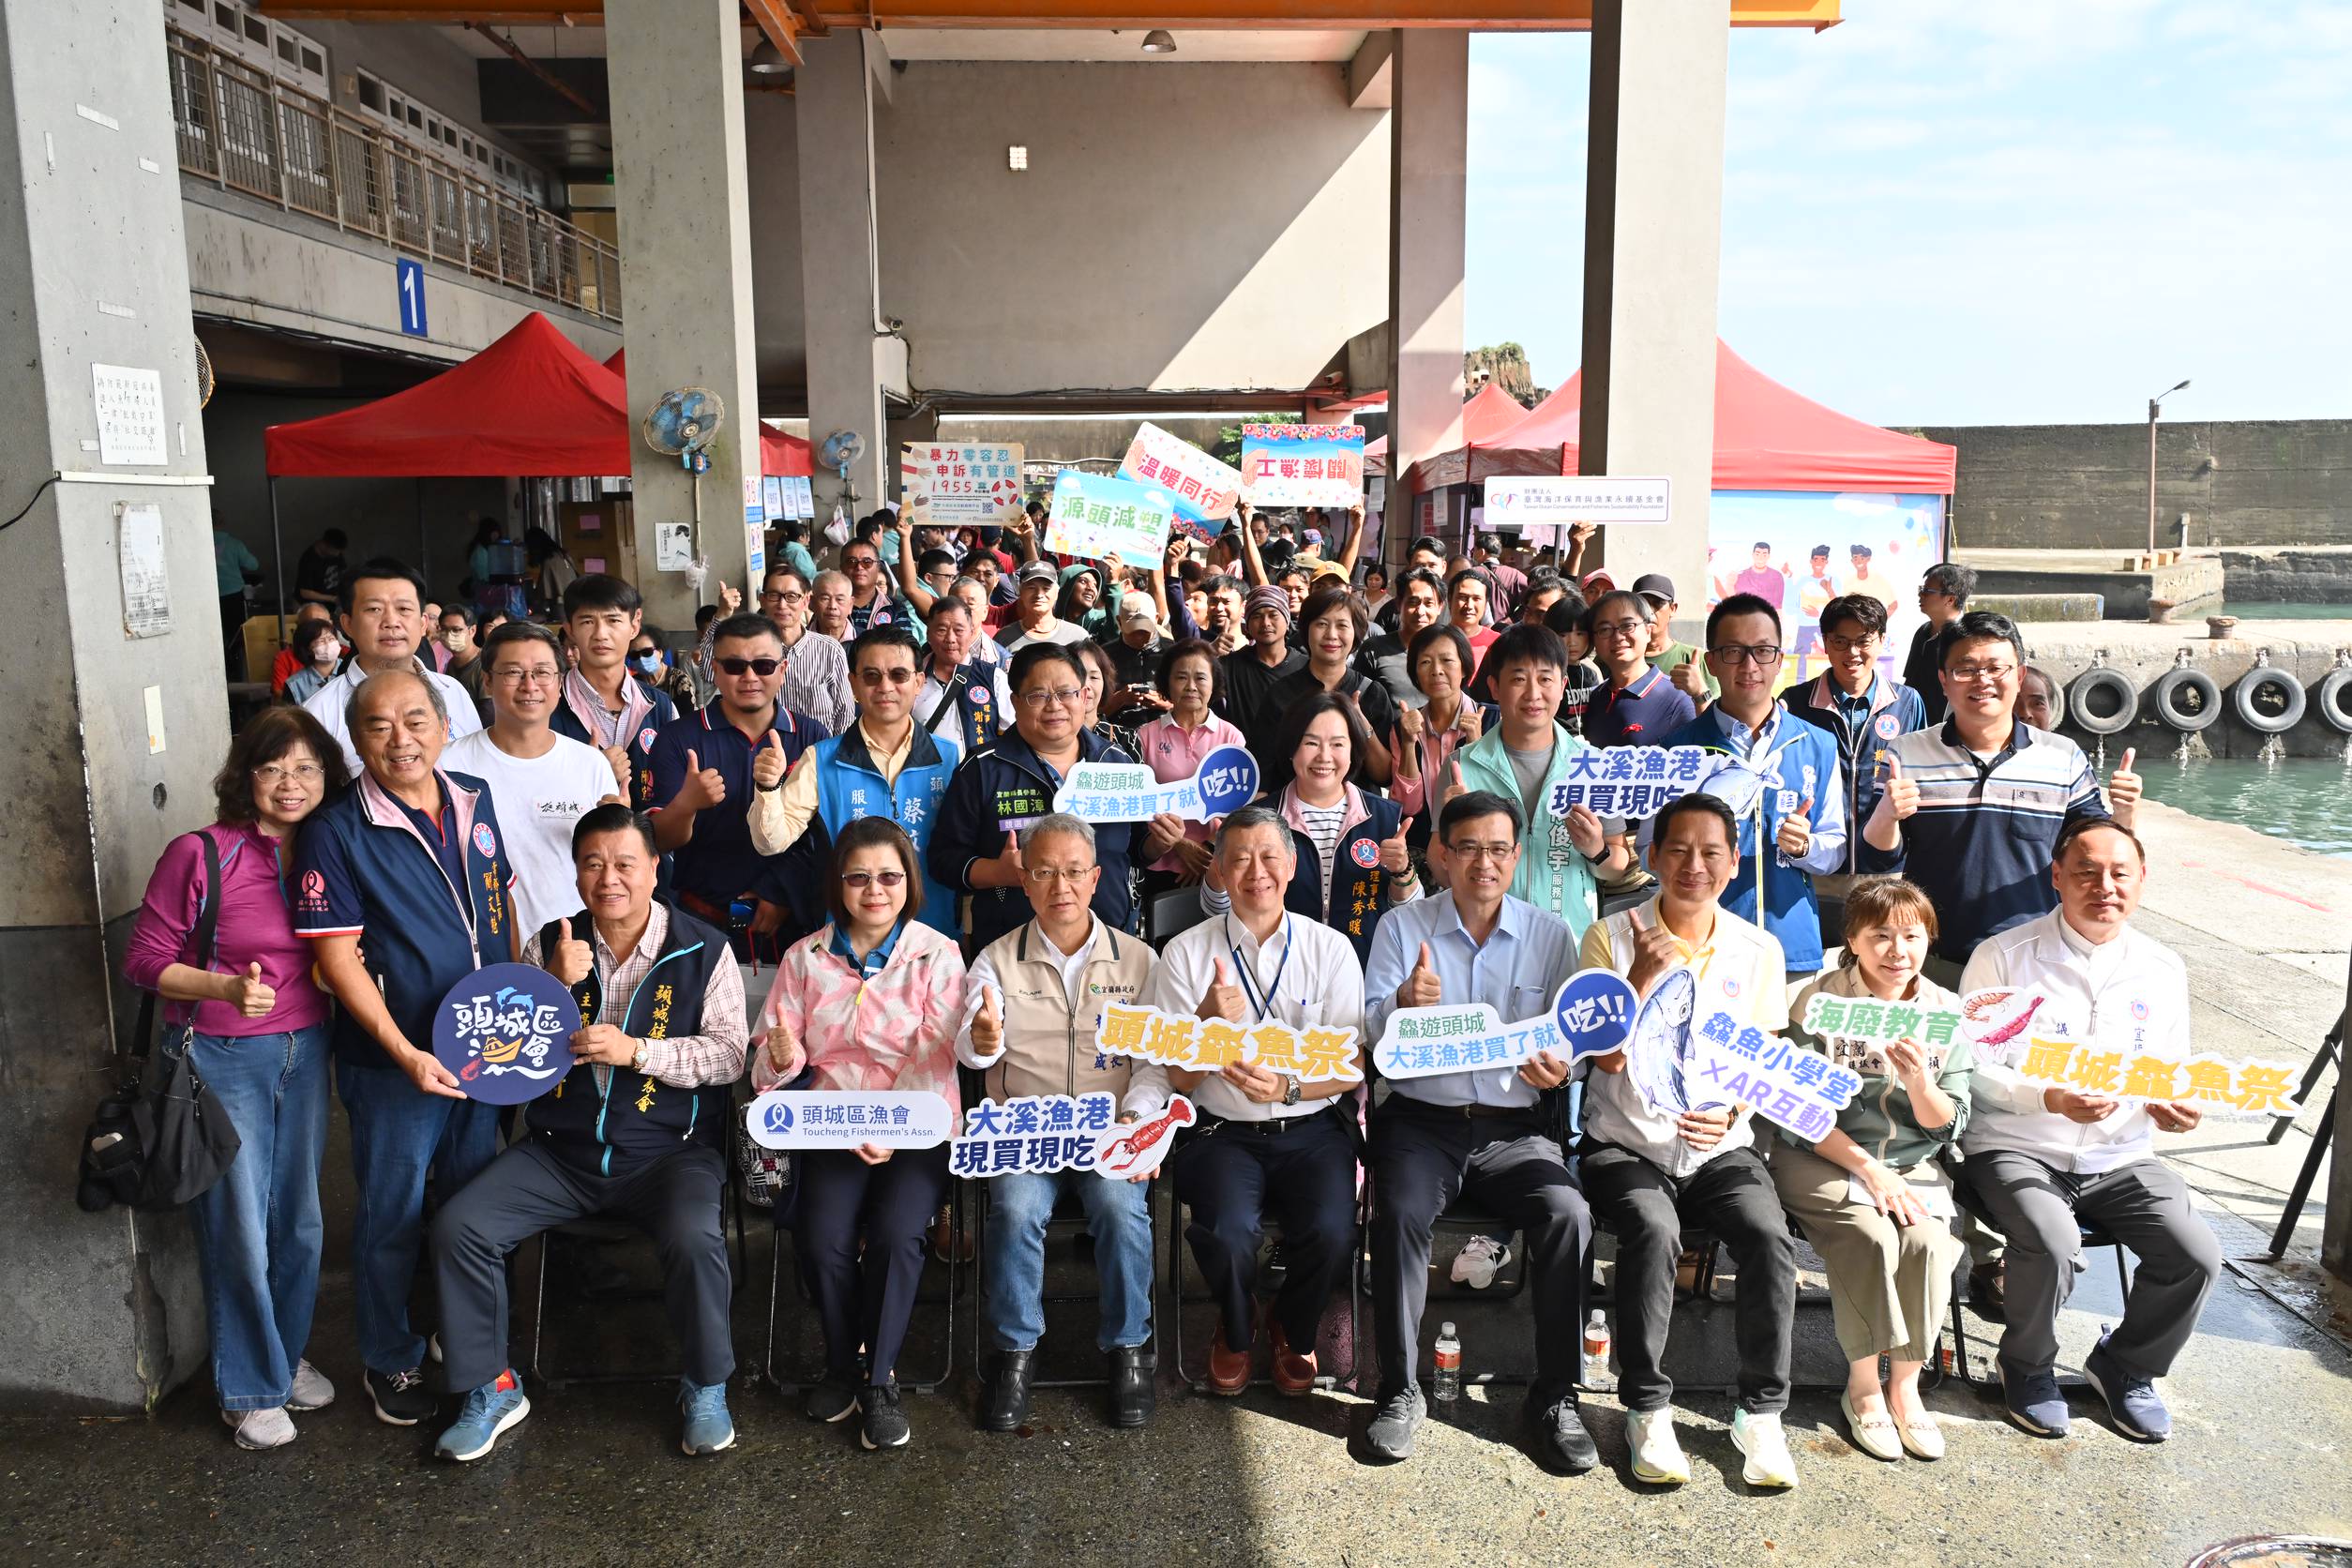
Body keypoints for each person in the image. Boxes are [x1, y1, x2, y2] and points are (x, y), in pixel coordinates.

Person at [427, 806, 747, 1462]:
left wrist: (636, 1052)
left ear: (655, 869)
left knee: (693, 1235)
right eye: (593, 864)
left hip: (671, 1154)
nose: (610, 879)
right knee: (461, 1225)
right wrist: (549, 985)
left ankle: (706, 1385)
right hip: (560, 1154)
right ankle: (492, 1387)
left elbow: (728, 1057)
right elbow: (503, 1063)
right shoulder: (551, 945)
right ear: (576, 874)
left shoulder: (705, 948)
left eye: (626, 863)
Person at [290, 669, 518, 1428]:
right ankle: (389, 1357)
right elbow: (336, 959)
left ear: (444, 725)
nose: (401, 739)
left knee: (468, 1208)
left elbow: (499, 904)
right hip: (396, 1065)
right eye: (380, 726)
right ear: (356, 741)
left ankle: (465, 1342)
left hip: (482, 1049)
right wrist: (401, 1051)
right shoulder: (336, 829)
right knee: (390, 1212)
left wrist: (518, 1008)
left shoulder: (473, 800)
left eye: (416, 720)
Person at [124, 708, 349, 1450]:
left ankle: (280, 1360)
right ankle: (246, 1388)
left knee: (301, 1222)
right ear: (244, 777)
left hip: (305, 1050)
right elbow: (145, 958)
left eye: (307, 769)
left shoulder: (330, 850)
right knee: (240, 1228)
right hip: (222, 1057)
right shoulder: (203, 853)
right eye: (273, 768)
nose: (291, 784)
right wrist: (221, 988)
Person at [1956, 819, 2221, 1443]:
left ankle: (2127, 1365)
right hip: (2017, 1149)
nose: (2104, 885)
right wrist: (2047, 1094)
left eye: (2119, 872)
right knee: (2052, 1242)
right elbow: (1968, 1071)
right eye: (2086, 871)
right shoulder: (2004, 957)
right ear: (2057, 877)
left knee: (2196, 1254)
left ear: (2141, 881)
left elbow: (2171, 1070)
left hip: (2121, 1156)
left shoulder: (2163, 966)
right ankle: (2026, 1366)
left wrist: (2176, 1102)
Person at [1361, 792, 1595, 1472]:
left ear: (1516, 856)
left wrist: (1562, 1069)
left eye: (1498, 849)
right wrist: (1404, 1005)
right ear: (1441, 854)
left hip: (1513, 1128)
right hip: (1421, 1123)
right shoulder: (1403, 929)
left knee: (1568, 1213)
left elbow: (1573, 1042)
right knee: (1400, 1211)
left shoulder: (1551, 935)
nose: (1483, 863)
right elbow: (1370, 1030)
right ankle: (1399, 1392)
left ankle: (1555, 1397)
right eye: (1468, 848)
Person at [1577, 792, 1800, 1489]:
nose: (1693, 865)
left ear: (1734, 864)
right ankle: (1646, 1404)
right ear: (1651, 857)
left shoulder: (1759, 949)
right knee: (1651, 1223)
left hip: (1718, 1146)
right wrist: (1642, 976)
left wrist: (1733, 1107)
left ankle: (1760, 1413)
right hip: (1625, 1142)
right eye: (1678, 849)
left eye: (1710, 852)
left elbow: (1764, 1058)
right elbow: (1604, 1060)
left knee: (1768, 1234)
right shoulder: (1609, 937)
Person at [753, 819, 969, 1450]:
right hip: (833, 1125)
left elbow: (939, 1056)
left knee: (901, 1235)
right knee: (821, 1240)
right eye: (859, 877)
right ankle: (843, 1360)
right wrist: (782, 1053)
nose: (875, 890)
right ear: (838, 884)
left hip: (917, 1122)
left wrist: (893, 1125)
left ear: (909, 881)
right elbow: (772, 1072)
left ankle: (879, 1379)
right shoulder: (804, 958)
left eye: (890, 876)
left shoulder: (939, 953)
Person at [1135, 807, 1364, 1395]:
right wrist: (1208, 1027)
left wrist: (1289, 1086)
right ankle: (1236, 1330)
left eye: (1268, 857)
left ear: (1290, 866)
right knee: (1227, 1231)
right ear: (1219, 870)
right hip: (1221, 1131)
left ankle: (1294, 1326)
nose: (1255, 871)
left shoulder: (1331, 949)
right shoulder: (1183, 955)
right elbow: (1176, 1083)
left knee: (1334, 1230)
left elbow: (1353, 1064)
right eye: (1238, 858)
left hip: (1312, 1127)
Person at [957, 813, 1160, 1431]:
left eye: (1074, 872)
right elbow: (970, 1050)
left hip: (1110, 1130)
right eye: (1043, 872)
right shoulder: (995, 960)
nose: (1060, 886)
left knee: (1121, 1210)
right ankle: (1015, 1352)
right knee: (1015, 1211)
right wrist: (984, 1038)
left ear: (1097, 878)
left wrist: (1136, 1118)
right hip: (1024, 1132)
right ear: (1026, 880)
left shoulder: (1140, 962)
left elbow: (1157, 1064)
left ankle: (1128, 1349)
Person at [1773, 876, 1971, 1462]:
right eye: (1880, 936)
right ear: (1852, 941)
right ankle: (1862, 1386)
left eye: (1911, 936)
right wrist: (1869, 1170)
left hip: (1912, 1164)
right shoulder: (1817, 1002)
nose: (1897, 951)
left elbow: (1950, 1123)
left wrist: (1919, 1082)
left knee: (1932, 1243)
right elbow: (1797, 1114)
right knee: (1871, 1234)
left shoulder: (1944, 1012)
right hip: (1821, 1154)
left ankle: (1906, 1389)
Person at [1862, 610, 2140, 980]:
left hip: (2036, 956)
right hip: (1935, 957)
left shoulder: (2062, 755)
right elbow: (1880, 858)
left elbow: (2095, 847)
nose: (1983, 681)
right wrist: (1887, 815)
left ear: (2019, 675)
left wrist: (2124, 813)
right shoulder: (1905, 754)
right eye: (1966, 669)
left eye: (1997, 668)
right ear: (1944, 680)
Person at [1655, 593, 1847, 979]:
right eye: (1732, 651)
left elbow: (1835, 846)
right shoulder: (1678, 749)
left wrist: (1805, 846)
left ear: (1779, 660)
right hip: (1701, 950)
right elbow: (1651, 851)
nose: (1748, 665)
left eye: (1762, 651)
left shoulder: (1817, 743)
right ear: (1710, 661)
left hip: (1790, 950)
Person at [750, 625, 961, 937]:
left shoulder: (950, 757)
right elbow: (770, 843)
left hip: (932, 937)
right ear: (853, 685)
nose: (885, 687)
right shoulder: (820, 759)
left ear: (918, 683)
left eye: (899, 675)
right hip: (848, 940)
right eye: (872, 676)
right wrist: (768, 788)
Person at [929, 644, 1139, 951]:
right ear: (1015, 702)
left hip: (1108, 945)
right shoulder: (983, 768)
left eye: (1066, 693)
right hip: (1011, 951)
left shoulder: (1116, 762)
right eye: (1038, 695)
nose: (1054, 706)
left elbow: (1138, 848)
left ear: (1083, 697)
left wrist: (1162, 841)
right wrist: (996, 872)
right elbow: (943, 860)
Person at [645, 612, 824, 957]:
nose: (750, 677)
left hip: (793, 925)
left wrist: (778, 891)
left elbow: (823, 834)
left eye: (763, 665)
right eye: (734, 666)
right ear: (715, 669)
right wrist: (687, 803)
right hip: (700, 923)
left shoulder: (812, 736)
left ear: (783, 669)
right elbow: (658, 841)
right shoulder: (678, 739)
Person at [1445, 625, 1631, 935]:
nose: (1533, 694)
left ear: (1562, 686)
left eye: (1545, 679)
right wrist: (1454, 837)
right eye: (1518, 679)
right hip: (1482, 941)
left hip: (1567, 940)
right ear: (1494, 687)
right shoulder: (1461, 766)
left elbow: (1617, 863)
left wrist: (1596, 849)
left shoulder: (1594, 765)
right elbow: (1441, 868)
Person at [444, 622, 620, 932]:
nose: (530, 685)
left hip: (572, 943)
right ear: (487, 681)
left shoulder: (590, 763)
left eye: (542, 672)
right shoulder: (448, 764)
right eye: (512, 673)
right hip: (483, 944)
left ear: (559, 681)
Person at [1260, 692, 1417, 962]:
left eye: (1337, 744)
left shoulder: (1382, 817)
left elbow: (1408, 914)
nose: (1324, 756)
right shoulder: (1260, 820)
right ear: (1291, 749)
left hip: (1363, 972)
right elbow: (1218, 908)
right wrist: (1220, 871)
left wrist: (1402, 870)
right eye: (1311, 743)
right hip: (1279, 971)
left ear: (1353, 750)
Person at [299, 557, 483, 774]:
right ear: (347, 624)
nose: (391, 621)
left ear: (423, 624)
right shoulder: (318, 714)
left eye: (404, 608)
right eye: (374, 609)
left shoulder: (452, 691)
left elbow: (476, 768)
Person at [549, 575, 679, 806]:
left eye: (613, 620)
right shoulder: (549, 708)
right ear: (569, 629)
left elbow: (674, 793)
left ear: (635, 624)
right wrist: (595, 775)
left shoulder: (661, 707)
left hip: (650, 840)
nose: (601, 633)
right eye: (587, 621)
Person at [1132, 639, 1242, 901]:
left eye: (1201, 678)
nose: (1191, 686)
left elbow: (1238, 806)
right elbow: (1138, 803)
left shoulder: (1231, 737)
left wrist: (1207, 850)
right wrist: (1180, 844)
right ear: (1167, 683)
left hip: (1215, 863)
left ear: (1213, 683)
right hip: (1160, 862)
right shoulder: (1144, 737)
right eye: (1181, 677)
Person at [1255, 587, 1396, 790]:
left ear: (1356, 634)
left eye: (1342, 625)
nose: (1331, 635)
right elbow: (1263, 770)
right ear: (1306, 630)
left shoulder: (1372, 693)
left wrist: (1362, 724)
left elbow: (1383, 776)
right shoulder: (1281, 693)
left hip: (1356, 815)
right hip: (1292, 814)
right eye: (1321, 624)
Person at [1388, 623, 1490, 865]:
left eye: (1447, 660)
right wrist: (1408, 745)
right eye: (1425, 662)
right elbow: (1408, 806)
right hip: (1423, 854)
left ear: (1465, 667)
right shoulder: (1402, 726)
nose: (1436, 671)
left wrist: (1476, 744)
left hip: (1478, 852)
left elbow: (1494, 800)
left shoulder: (1492, 720)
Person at [1582, 589, 1696, 748]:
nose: (1618, 637)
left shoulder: (1677, 698)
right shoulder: (1596, 697)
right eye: (1605, 629)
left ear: (1648, 631)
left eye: (1627, 626)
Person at [758, 565, 856, 736]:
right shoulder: (754, 650)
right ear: (763, 600)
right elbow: (708, 675)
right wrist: (722, 615)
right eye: (774, 596)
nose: (782, 605)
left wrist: (833, 756)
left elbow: (845, 714)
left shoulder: (830, 650)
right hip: (769, 754)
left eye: (791, 597)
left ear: (805, 602)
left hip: (821, 753)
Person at [1217, 585, 1304, 742]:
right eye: (1257, 616)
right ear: (1248, 624)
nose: (1266, 623)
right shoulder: (1228, 666)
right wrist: (1209, 652)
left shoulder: (1306, 667)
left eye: (1273, 615)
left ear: (1286, 619)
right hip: (1245, 760)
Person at [1357, 565, 1444, 712]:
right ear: (1398, 604)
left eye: (1429, 603)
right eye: (1413, 602)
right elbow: (1357, 706)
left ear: (1440, 607)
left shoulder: (1451, 652)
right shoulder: (1373, 650)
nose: (1420, 611)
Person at [1903, 563, 1977, 726]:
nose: (1921, 595)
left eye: (1927, 591)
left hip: (1948, 732)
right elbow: (1910, 682)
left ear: (1950, 599)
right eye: (1921, 589)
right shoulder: (1922, 632)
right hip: (1916, 729)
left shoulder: (1966, 640)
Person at [1634, 573, 1719, 707]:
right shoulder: (1618, 658)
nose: (1649, 610)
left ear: (1673, 609)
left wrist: (1700, 692)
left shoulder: (1696, 659)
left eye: (1657, 603)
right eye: (1642, 604)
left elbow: (1718, 717)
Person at [840, 536, 913, 637]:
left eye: (867, 562)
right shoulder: (830, 607)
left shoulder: (895, 608)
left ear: (878, 567)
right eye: (852, 562)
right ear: (841, 567)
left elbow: (906, 649)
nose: (859, 567)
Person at [215, 526, 262, 678]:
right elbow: (253, 565)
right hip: (233, 595)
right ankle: (237, 672)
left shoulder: (198, 542)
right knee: (236, 635)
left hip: (208, 595)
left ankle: (219, 670)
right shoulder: (234, 544)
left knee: (215, 635)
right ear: (221, 523)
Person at [629, 625, 701, 715]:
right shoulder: (633, 684)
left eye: (647, 652)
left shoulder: (680, 682)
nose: (641, 658)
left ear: (660, 653)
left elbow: (687, 720)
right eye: (635, 655)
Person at [269, 601, 336, 697]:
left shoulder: (345, 655)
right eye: (310, 625)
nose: (319, 632)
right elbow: (279, 694)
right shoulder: (284, 659)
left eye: (323, 624)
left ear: (331, 624)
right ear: (298, 626)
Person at [436, 604, 489, 717]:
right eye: (444, 629)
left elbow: (488, 714)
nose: (449, 635)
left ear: (472, 630)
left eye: (456, 630)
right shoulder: (451, 663)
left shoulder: (485, 664)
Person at [280, 616, 344, 707]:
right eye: (321, 641)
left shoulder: (352, 670)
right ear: (307, 649)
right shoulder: (295, 685)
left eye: (331, 639)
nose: (328, 644)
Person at [1444, 568, 1500, 662]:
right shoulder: (1434, 639)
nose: (1469, 605)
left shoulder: (1497, 642)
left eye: (1476, 599)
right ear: (1450, 600)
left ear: (1486, 603)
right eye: (1463, 597)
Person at [1794, 546, 1839, 653]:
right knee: (1801, 659)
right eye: (1816, 559)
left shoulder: (1834, 581)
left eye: (1822, 560)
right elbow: (1794, 605)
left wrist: (1829, 591)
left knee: (1826, 658)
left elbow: (1838, 607)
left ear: (1826, 562)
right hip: (1805, 627)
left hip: (1825, 627)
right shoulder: (1802, 581)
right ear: (1811, 561)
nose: (1819, 563)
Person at [525, 525, 578, 613]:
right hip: (573, 600)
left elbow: (543, 593)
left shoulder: (549, 561)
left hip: (561, 605)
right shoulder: (561, 554)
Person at [294, 527, 346, 609]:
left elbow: (343, 573)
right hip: (308, 607)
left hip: (330, 607)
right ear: (325, 545)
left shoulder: (337, 555)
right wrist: (333, 599)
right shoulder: (308, 559)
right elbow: (305, 593)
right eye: (336, 551)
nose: (338, 554)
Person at [1846, 545, 1900, 620]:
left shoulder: (1879, 580)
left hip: (1874, 629)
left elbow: (1894, 604)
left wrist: (1880, 622)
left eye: (1862, 558)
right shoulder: (1848, 582)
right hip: (1855, 628)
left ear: (1868, 559)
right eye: (1855, 558)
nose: (1859, 561)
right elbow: (1845, 608)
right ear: (1852, 561)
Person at [1729, 542, 1787, 609]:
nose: (1760, 558)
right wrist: (1729, 584)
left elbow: (1778, 606)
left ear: (1768, 556)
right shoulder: (1741, 576)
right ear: (1753, 555)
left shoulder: (1776, 576)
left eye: (1764, 555)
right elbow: (1733, 601)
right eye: (1757, 554)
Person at [810, 569, 855, 643]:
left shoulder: (865, 642)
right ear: (812, 602)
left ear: (850, 604)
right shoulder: (798, 641)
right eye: (825, 599)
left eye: (839, 599)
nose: (832, 606)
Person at [776, 517, 819, 588]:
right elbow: (809, 574)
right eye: (807, 536)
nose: (809, 539)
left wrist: (817, 558)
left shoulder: (789, 549)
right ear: (801, 538)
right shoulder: (799, 552)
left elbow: (805, 568)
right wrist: (826, 573)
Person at [2018, 664, 2058, 731]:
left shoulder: (2064, 742)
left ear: (2050, 708)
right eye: (2013, 704)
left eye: (2038, 704)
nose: (2026, 714)